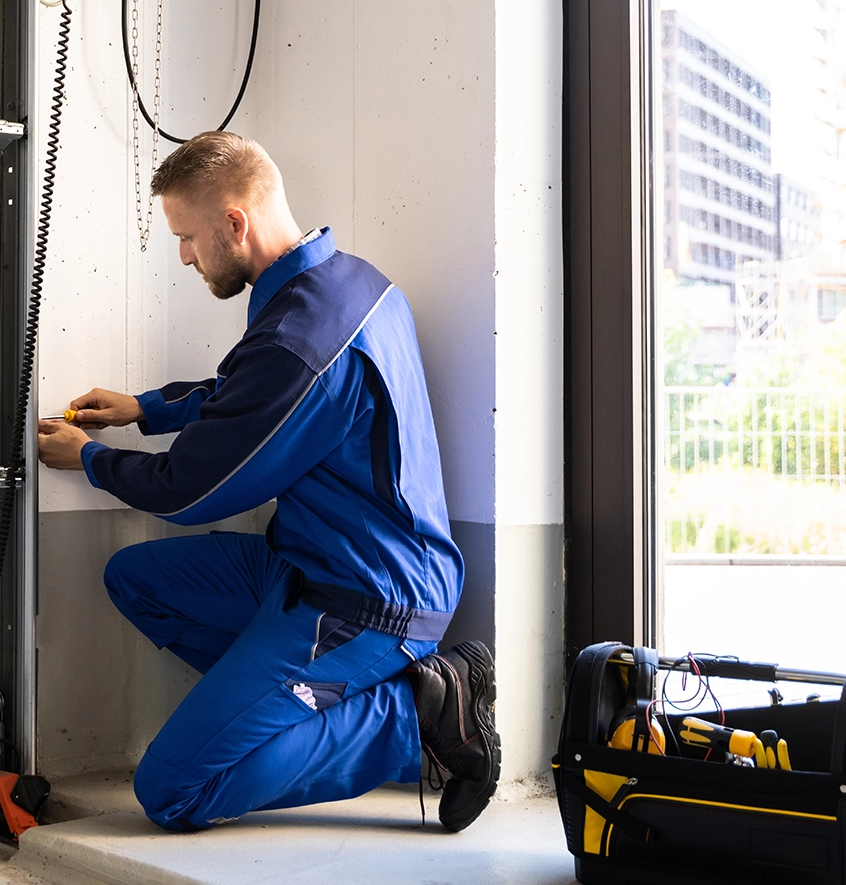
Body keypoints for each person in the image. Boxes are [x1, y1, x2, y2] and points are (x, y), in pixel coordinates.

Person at [36, 132, 500, 833]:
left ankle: (415, 719)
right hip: (307, 566)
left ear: (234, 223)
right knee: (136, 580)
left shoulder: (302, 340)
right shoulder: (350, 283)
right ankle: (294, 712)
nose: (184, 256)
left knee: (172, 791)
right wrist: (146, 409)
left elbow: (189, 491)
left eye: (187, 237)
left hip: (369, 602)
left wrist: (93, 459)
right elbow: (250, 395)